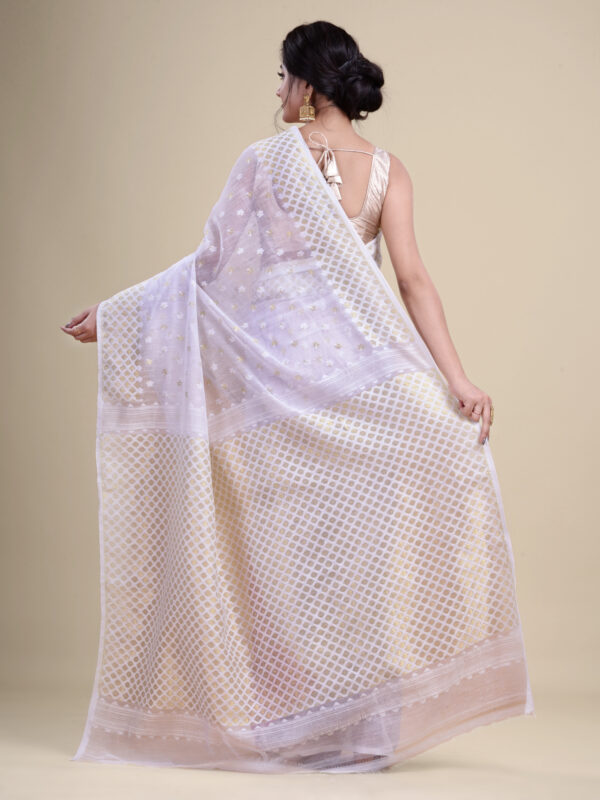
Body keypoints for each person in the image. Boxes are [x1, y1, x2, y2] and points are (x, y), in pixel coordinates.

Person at [65, 20, 533, 774]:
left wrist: (119, 316)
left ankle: (297, 723)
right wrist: (457, 380)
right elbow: (414, 281)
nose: (278, 90)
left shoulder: (264, 161)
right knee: (359, 560)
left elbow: (212, 270)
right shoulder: (388, 171)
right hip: (366, 382)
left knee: (285, 562)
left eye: (283, 76)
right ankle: (360, 726)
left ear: (309, 85)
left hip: (272, 391)